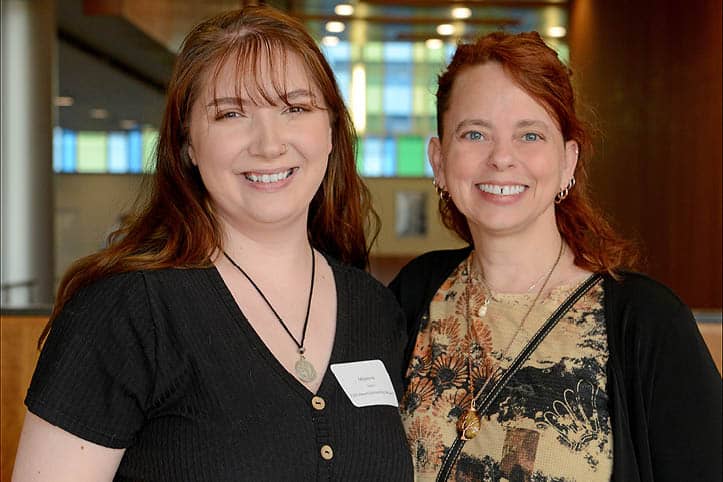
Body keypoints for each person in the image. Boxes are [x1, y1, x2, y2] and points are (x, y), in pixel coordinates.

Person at [12, 6, 413, 481]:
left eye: (295, 108)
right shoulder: (125, 312)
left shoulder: (374, 309)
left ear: (331, 130)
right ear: (187, 145)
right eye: (231, 114)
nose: (268, 144)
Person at [390, 31, 722, 482]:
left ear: (568, 162)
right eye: (474, 133)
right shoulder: (413, 294)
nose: (502, 158)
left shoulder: (646, 322)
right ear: (440, 160)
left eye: (530, 135)